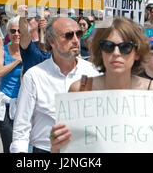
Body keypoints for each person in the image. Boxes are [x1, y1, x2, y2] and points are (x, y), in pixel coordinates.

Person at [49, 17, 153, 152]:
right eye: (108, 46)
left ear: (137, 53)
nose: (116, 53)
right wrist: (56, 145)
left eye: (125, 47)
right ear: (100, 51)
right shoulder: (80, 90)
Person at [10, 16, 100, 153]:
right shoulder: (34, 76)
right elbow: (22, 125)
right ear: (52, 41)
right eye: (68, 35)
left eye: (78, 34)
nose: (75, 40)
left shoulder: (94, 72)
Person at [0, 16, 23, 153]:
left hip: (23, 104)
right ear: (8, 33)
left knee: (21, 145)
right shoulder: (2, 50)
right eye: (13, 31)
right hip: (4, 104)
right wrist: (17, 61)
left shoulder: (29, 51)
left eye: (19, 31)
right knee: (9, 144)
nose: (16, 34)